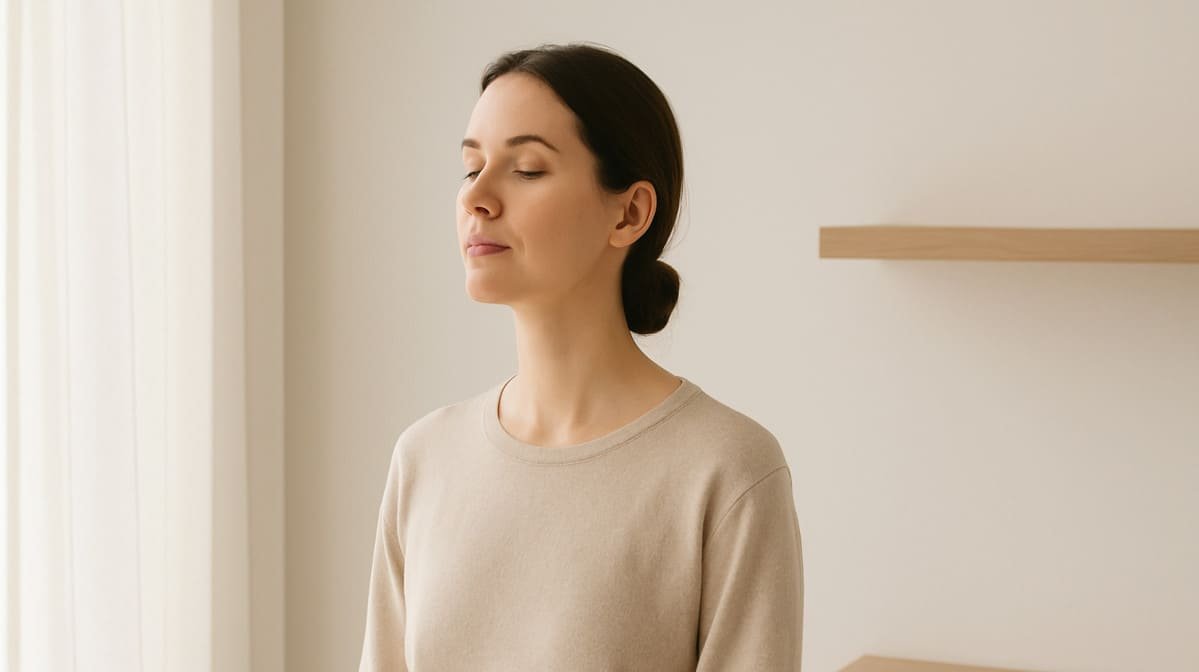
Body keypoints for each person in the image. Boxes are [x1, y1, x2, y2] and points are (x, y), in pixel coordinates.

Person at [358, 41, 803, 671]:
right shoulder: (425, 459)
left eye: (527, 169)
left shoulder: (726, 469)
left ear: (629, 213)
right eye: (470, 167)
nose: (476, 198)